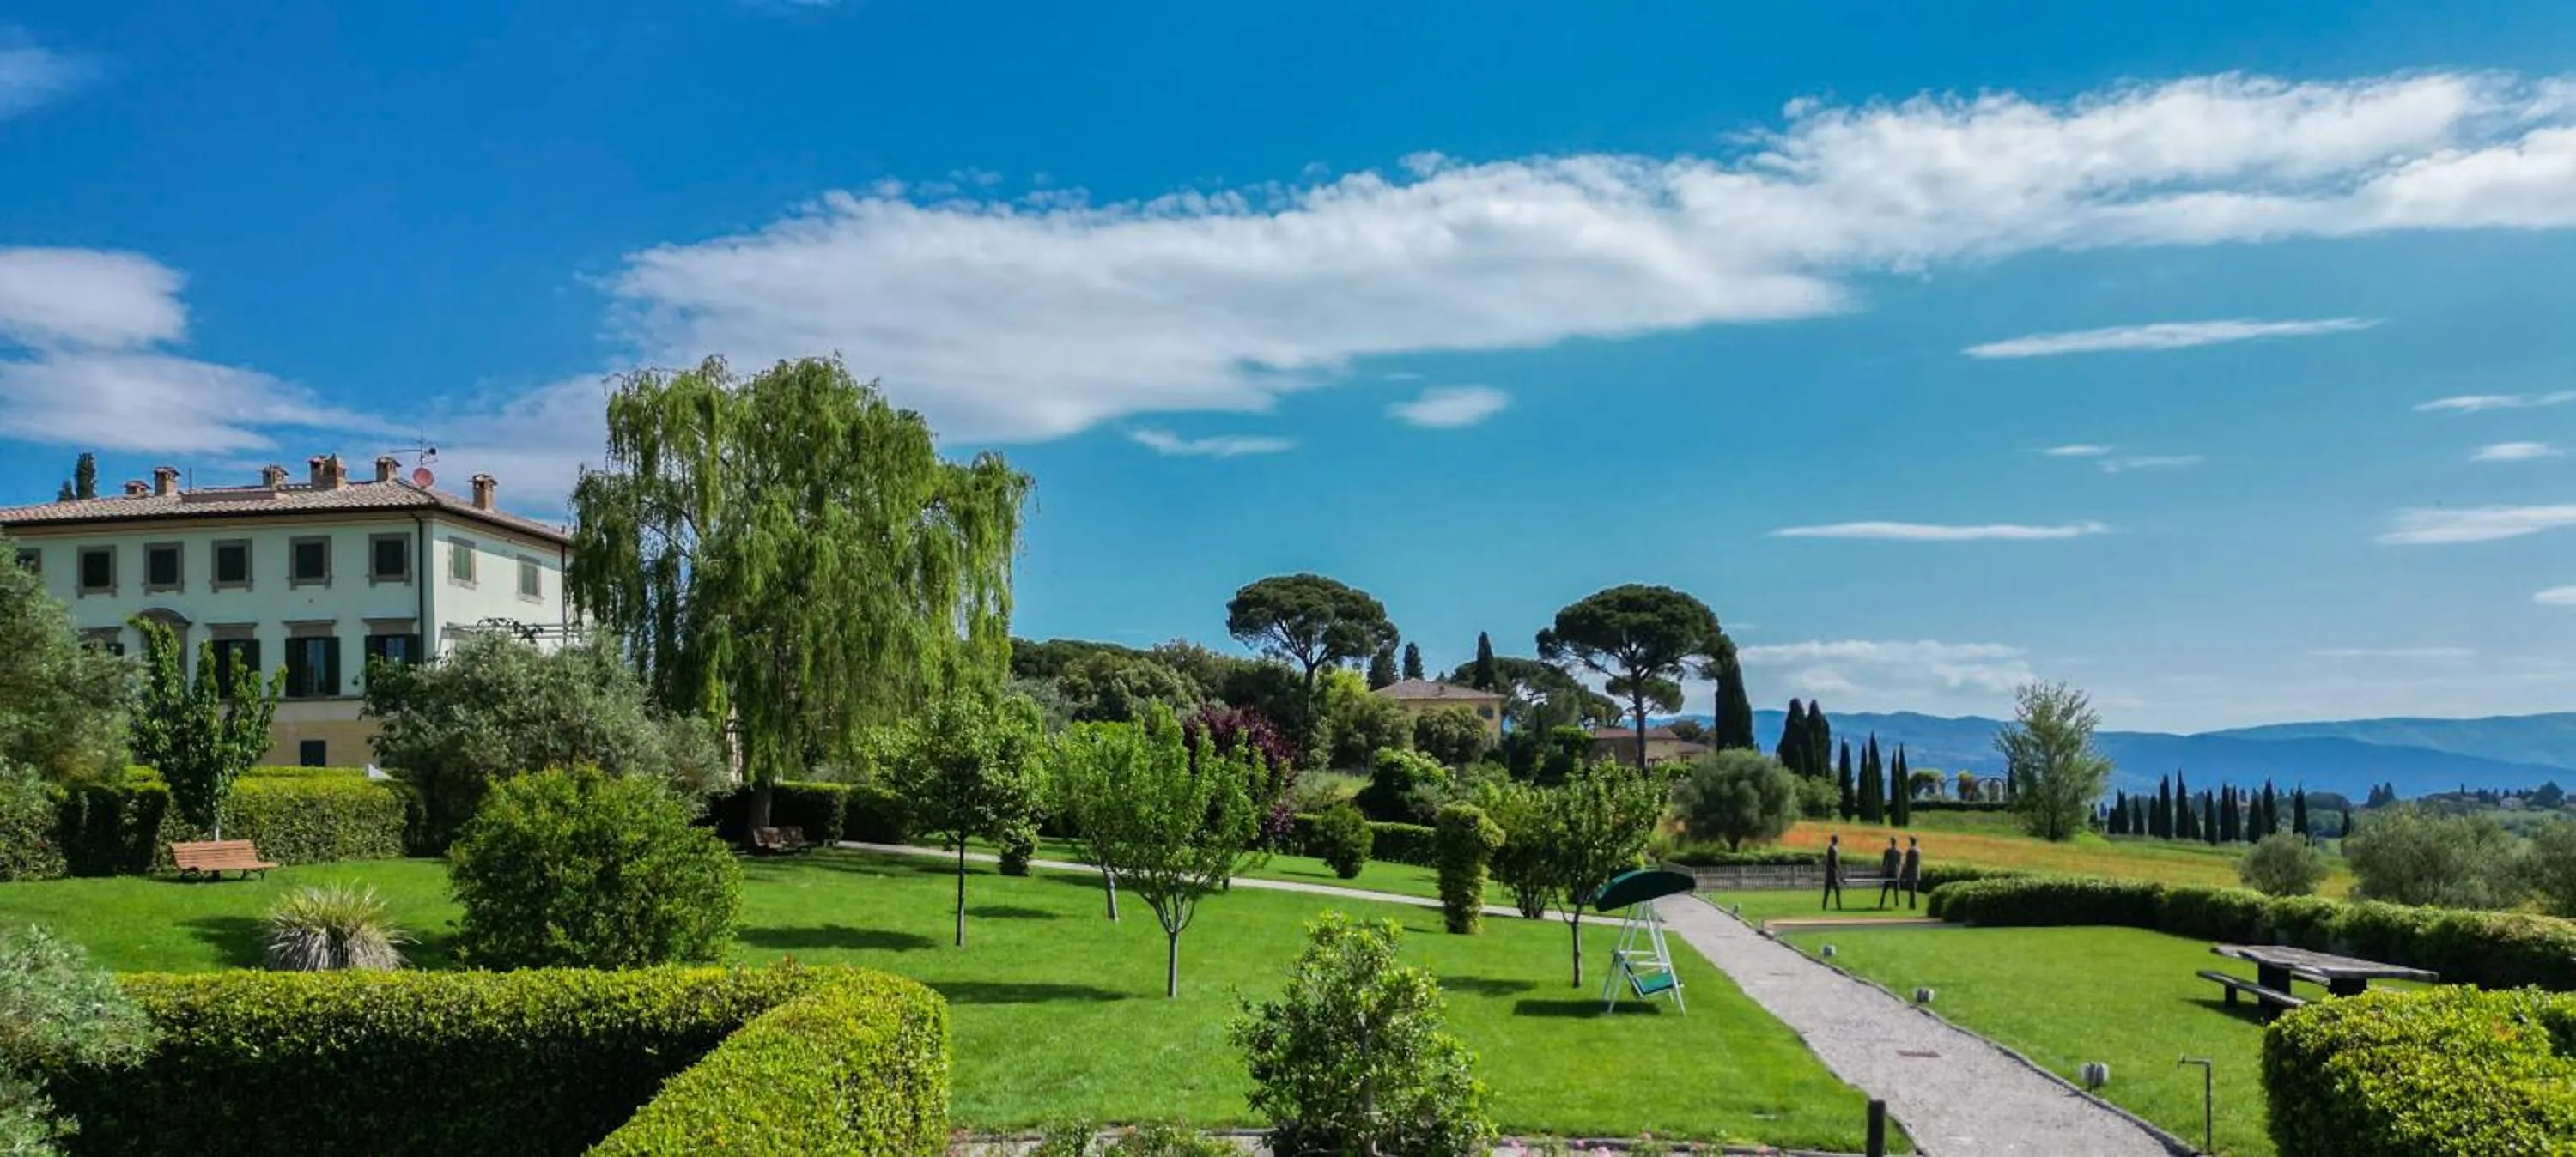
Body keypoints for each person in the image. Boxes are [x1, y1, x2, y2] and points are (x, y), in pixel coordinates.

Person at [1877, 837, 1903, 908]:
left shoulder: (1888, 851)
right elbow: (1900, 864)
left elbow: (1884, 863)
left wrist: (1882, 871)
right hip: (1894, 872)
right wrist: (1899, 873)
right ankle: (1897, 903)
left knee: (1885, 888)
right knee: (1896, 889)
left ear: (1891, 842)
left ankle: (1881, 903)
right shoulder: (1898, 852)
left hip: (1889, 871)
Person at [1821, 833, 1844, 911]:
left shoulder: (1833, 848)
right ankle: (1839, 906)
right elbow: (1835, 861)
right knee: (1836, 890)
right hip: (1832, 871)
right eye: (1836, 839)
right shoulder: (1833, 848)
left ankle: (1824, 906)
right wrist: (1839, 870)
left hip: (1830, 871)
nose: (1837, 841)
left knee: (1828, 890)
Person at [1900, 836, 1923, 909]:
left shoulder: (1910, 851)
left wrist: (1903, 873)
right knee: (1913, 888)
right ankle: (1912, 904)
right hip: (1916, 871)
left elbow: (1907, 862)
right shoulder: (1919, 850)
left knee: (1912, 889)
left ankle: (1912, 905)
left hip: (1911, 872)